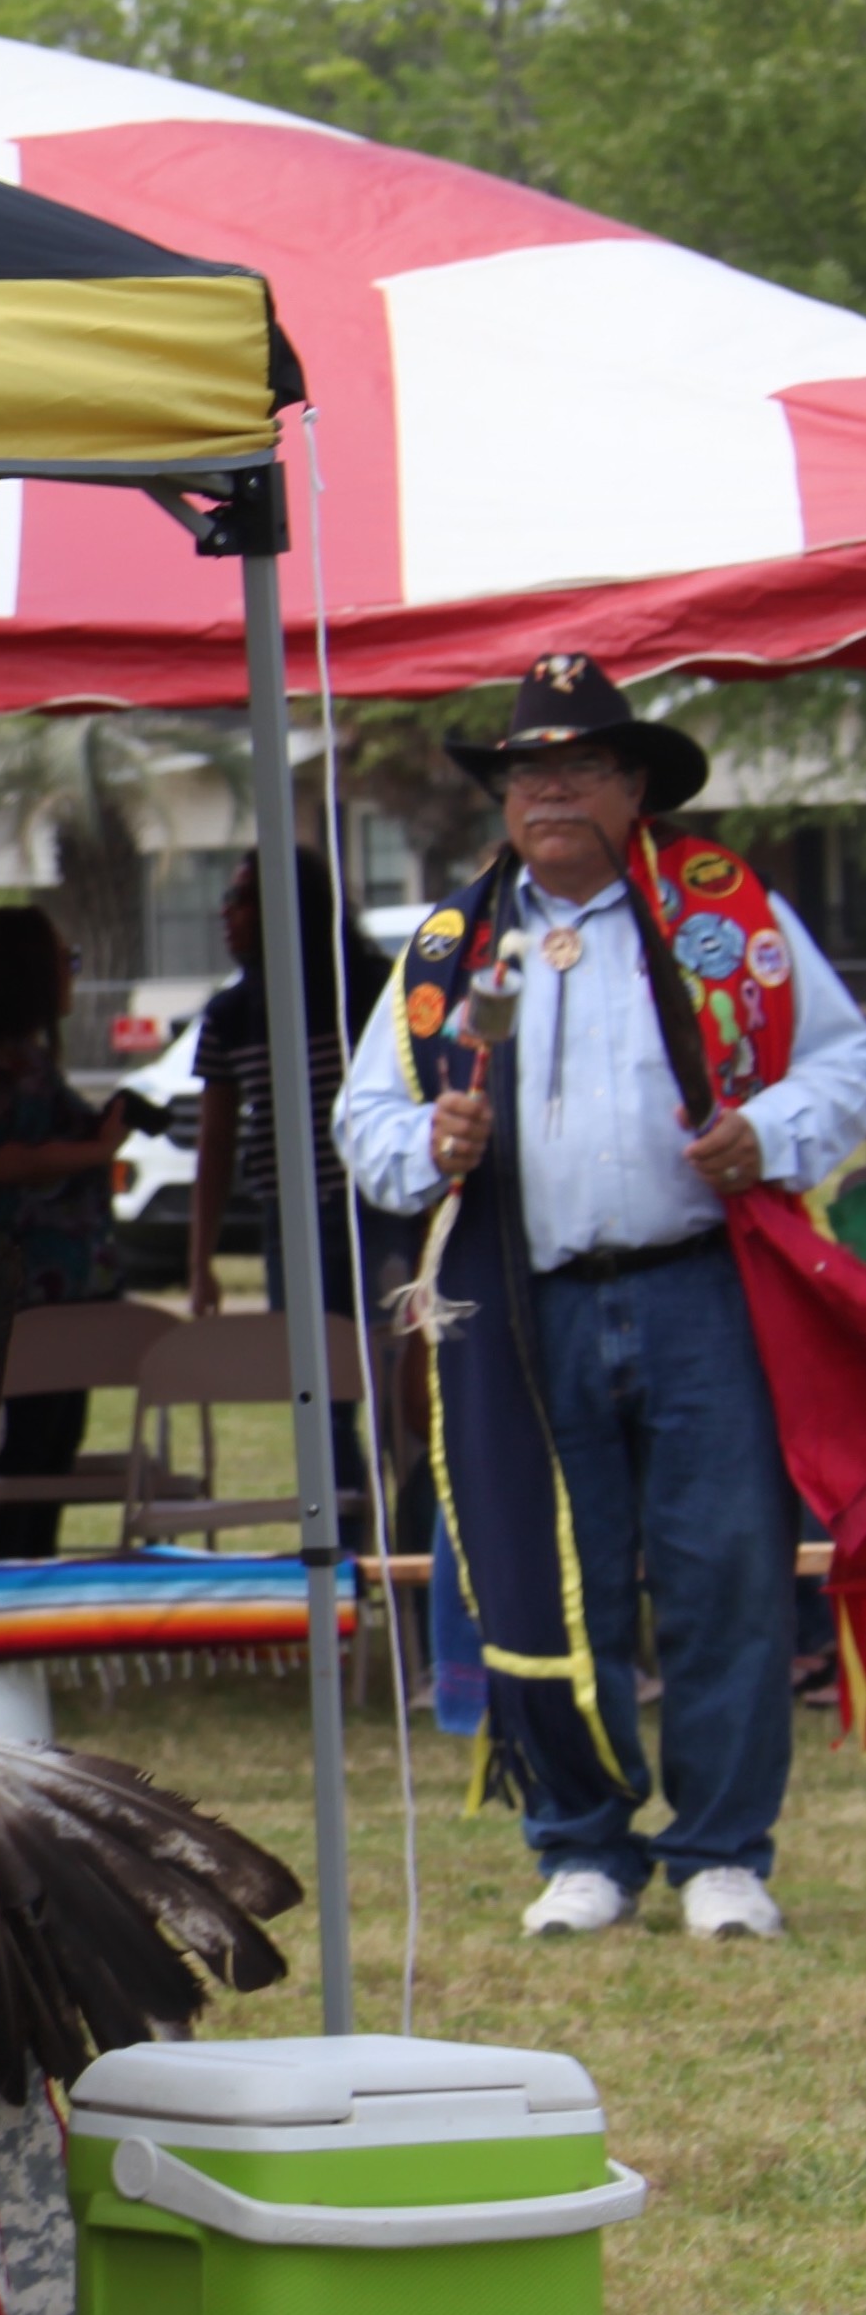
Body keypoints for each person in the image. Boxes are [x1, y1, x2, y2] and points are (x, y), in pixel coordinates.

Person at [341, 654, 866, 1943]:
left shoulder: (724, 916)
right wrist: (435, 1148)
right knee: (542, 1565)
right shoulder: (448, 945)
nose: (551, 791)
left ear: (634, 788)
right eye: (530, 772)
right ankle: (577, 1845)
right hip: (525, 1304)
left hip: (699, 1292)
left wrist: (770, 1130)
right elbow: (365, 1123)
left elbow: (848, 1058)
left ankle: (719, 1853)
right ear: (503, 800)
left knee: (722, 1573)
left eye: (580, 767)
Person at [0, 904, 146, 1559]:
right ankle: (22, 1587)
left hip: (47, 1298)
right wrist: (97, 1151)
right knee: (31, 1459)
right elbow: (1, 1160)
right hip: (30, 1299)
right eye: (66, 961)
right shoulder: (5, 1064)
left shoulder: (9, 1061)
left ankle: (31, 1579)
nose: (72, 976)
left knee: (45, 1452)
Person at [190, 848, 390, 1540]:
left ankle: (410, 1564)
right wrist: (200, 1257)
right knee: (316, 1396)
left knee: (397, 1390)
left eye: (242, 898)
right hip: (288, 1221)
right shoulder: (229, 1014)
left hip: (380, 1216)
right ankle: (345, 1557)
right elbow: (214, 1141)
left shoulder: (365, 988)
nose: (227, 913)